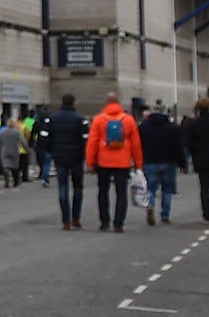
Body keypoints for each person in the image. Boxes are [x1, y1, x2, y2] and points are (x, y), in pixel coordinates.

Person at [85, 92, 142, 232]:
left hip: (103, 161)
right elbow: (136, 144)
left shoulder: (98, 119)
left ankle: (104, 221)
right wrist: (138, 164)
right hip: (122, 162)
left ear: (106, 102)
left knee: (103, 191)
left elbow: (92, 142)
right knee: (121, 193)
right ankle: (119, 223)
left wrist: (90, 162)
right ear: (119, 102)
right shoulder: (128, 120)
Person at [44, 94, 86, 229]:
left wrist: (51, 151)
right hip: (76, 157)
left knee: (63, 187)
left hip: (59, 156)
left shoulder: (52, 119)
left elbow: (45, 137)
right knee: (78, 187)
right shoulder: (80, 119)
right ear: (74, 103)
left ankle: (66, 220)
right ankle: (76, 218)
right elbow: (86, 139)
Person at [137, 103, 183, 225]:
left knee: (150, 188)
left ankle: (150, 205)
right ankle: (165, 215)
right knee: (167, 190)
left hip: (150, 161)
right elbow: (178, 146)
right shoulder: (173, 128)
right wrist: (182, 163)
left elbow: (139, 145)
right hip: (169, 161)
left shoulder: (143, 127)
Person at [0, 117, 24, 188]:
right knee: (14, 167)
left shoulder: (3, 132)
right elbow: (23, 142)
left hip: (5, 151)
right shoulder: (17, 132)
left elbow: (0, 143)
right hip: (14, 151)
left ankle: (7, 182)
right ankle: (16, 182)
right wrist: (27, 149)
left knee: (6, 166)